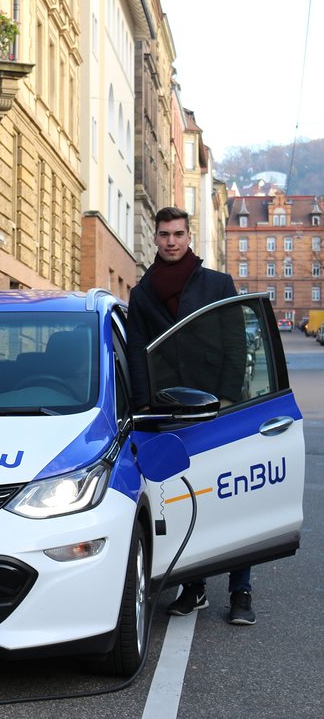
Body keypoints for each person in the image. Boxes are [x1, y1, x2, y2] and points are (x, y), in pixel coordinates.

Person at [125, 205, 255, 626]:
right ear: (156, 237)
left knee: (234, 498)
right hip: (171, 412)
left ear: (188, 236)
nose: (171, 242)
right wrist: (145, 405)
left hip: (218, 408)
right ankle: (194, 586)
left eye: (178, 234)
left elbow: (236, 345)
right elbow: (137, 352)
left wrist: (229, 402)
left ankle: (241, 590)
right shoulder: (143, 292)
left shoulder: (217, 283)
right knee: (187, 498)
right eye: (164, 235)